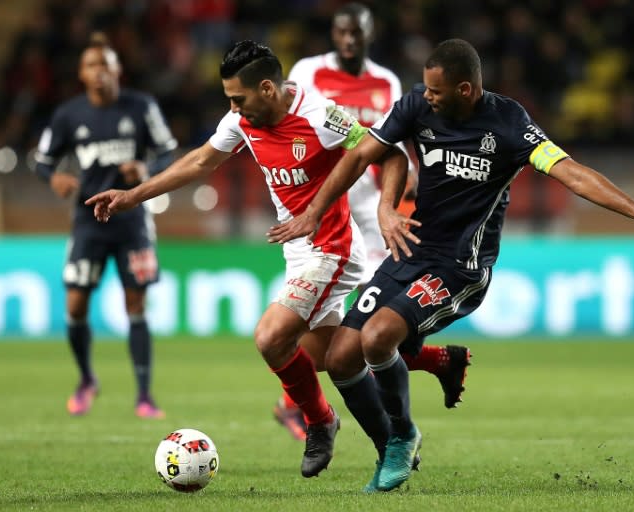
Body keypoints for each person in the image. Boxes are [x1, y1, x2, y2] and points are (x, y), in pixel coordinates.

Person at [267, 38, 634, 492]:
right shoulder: (415, 105)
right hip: (412, 248)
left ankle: (400, 437)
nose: (427, 97)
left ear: (466, 89)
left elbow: (571, 171)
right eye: (426, 90)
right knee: (339, 358)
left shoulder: (510, 123)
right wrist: (378, 207)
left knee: (377, 338)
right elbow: (363, 154)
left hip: (460, 267)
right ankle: (392, 443)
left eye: (436, 91)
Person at [85, 40, 405, 478]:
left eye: (238, 98)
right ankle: (395, 442)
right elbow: (200, 162)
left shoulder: (320, 116)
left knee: (271, 337)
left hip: (332, 247)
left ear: (269, 89)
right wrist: (131, 197)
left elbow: (384, 151)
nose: (233, 107)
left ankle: (320, 421)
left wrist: (386, 208)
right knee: (332, 357)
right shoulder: (242, 118)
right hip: (298, 252)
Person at [273, 1, 472, 441]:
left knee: (375, 313)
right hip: (328, 199)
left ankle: (433, 363)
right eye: (341, 32)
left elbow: (401, 130)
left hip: (374, 202)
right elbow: (290, 120)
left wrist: (413, 174)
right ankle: (437, 361)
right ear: (333, 33)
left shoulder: (385, 80)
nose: (348, 41)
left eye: (356, 34)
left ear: (368, 35)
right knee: (325, 320)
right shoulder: (309, 71)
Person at [34, 33, 177, 419]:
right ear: (81, 74)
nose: (100, 71)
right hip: (87, 222)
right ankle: (86, 380)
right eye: (91, 65)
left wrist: (147, 169)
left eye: (106, 64)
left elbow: (169, 152)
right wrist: (54, 179)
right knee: (76, 304)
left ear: (118, 69)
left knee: (136, 303)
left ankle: (144, 395)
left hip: (133, 221)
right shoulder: (68, 115)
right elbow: (42, 160)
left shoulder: (142, 107)